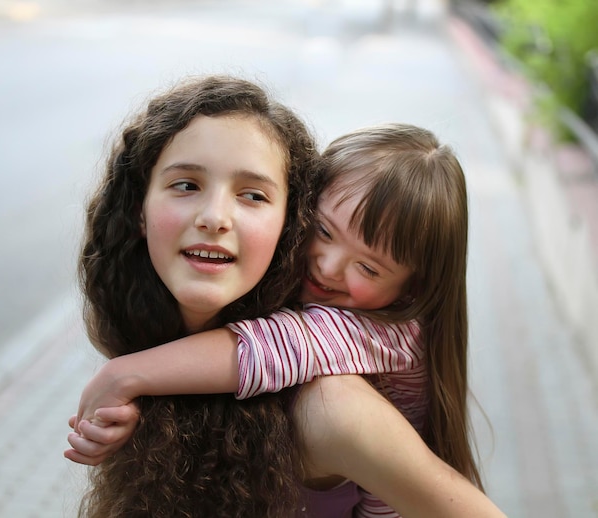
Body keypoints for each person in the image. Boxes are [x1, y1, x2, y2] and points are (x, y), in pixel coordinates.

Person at [67, 122, 507, 517]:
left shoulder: (389, 334)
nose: (330, 267)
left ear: (412, 288)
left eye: (369, 268)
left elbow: (277, 346)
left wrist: (128, 375)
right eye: (324, 231)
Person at [71, 73, 323, 518]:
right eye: (186, 185)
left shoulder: (326, 406)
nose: (214, 217)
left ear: (289, 226)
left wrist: (126, 376)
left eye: (252, 195)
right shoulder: (150, 350)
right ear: (140, 212)